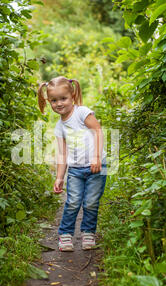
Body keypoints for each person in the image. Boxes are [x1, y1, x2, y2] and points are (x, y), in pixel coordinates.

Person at [37, 76, 107, 251]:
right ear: (48, 101)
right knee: (73, 201)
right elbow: (62, 154)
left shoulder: (82, 113)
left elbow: (98, 131)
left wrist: (96, 157)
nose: (59, 104)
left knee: (91, 202)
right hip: (75, 170)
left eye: (63, 98)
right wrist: (59, 178)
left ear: (73, 96)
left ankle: (88, 233)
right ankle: (66, 235)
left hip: (96, 166)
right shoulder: (60, 127)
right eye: (54, 100)